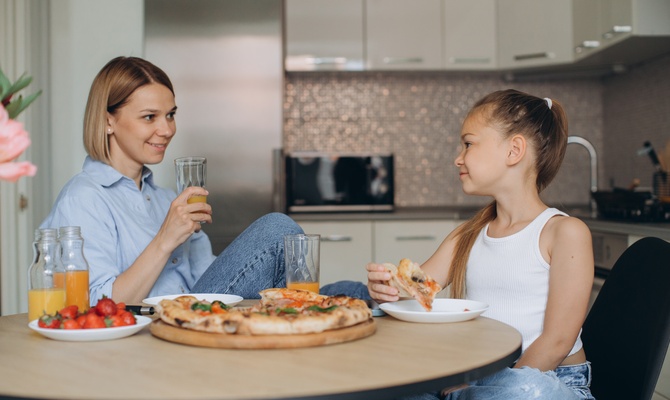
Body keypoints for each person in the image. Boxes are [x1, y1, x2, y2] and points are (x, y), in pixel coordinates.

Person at [40, 56, 367, 305]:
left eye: (170, 114)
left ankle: (380, 307)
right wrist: (164, 240)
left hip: (200, 308)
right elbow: (100, 305)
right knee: (276, 229)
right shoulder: (84, 198)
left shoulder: (167, 197)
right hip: (159, 328)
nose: (167, 129)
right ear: (108, 120)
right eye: (149, 117)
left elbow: (214, 278)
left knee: (344, 296)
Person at [367, 90, 595, 399]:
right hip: (476, 376)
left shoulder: (564, 232)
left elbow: (557, 341)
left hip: (548, 380)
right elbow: (418, 290)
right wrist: (387, 290)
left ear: (514, 151)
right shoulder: (468, 234)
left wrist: (487, 388)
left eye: (468, 144)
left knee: (522, 391)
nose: (458, 158)